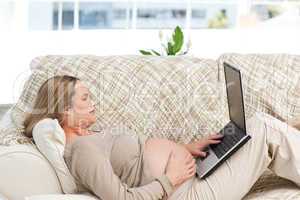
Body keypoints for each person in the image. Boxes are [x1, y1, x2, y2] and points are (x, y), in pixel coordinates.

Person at [24, 75, 300, 200]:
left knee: (254, 125)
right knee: (268, 131)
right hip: (186, 193)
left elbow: (139, 162)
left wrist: (187, 149)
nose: (94, 102)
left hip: (191, 178)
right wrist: (172, 178)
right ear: (65, 109)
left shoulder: (91, 138)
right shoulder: (82, 151)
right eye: (85, 98)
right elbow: (121, 199)